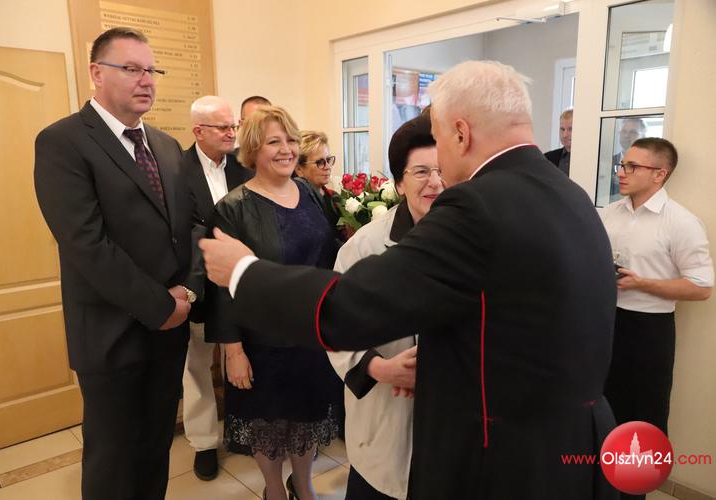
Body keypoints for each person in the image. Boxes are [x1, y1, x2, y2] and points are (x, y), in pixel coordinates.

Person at [200, 60, 619, 500]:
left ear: (460, 133)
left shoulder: (478, 205)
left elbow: (349, 307)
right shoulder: (568, 192)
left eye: (438, 140)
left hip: (507, 458)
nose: (438, 172)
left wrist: (244, 272)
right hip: (573, 446)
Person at [34, 27, 192, 499]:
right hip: (110, 334)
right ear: (96, 73)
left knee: (156, 447)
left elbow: (187, 229)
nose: (147, 80)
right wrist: (161, 306)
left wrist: (189, 292)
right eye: (132, 69)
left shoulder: (165, 146)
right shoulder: (63, 142)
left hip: (169, 332)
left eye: (152, 70)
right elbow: (87, 244)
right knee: (113, 459)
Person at [203, 106, 341, 500]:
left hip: (310, 333)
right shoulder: (233, 207)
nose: (286, 149)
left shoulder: (311, 194)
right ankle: (274, 489)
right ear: (252, 150)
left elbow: (325, 257)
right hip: (262, 341)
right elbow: (221, 286)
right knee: (269, 424)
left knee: (306, 417)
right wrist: (233, 351)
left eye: (291, 140)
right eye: (274, 142)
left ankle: (304, 484)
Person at [329, 113, 444, 500]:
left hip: (450, 418)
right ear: (398, 182)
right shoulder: (365, 246)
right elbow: (334, 327)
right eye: (421, 171)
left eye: (442, 170)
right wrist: (381, 369)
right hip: (385, 415)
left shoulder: (474, 238)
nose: (435, 182)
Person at [601, 138, 712, 494]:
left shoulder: (681, 222)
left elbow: (702, 287)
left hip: (649, 332)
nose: (622, 172)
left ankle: (633, 491)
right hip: (605, 324)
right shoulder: (608, 213)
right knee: (603, 410)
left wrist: (643, 283)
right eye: (622, 164)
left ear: (659, 174)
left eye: (633, 166)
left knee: (643, 418)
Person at [181, 95, 254, 481]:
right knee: (196, 365)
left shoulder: (245, 165)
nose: (231, 133)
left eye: (233, 126)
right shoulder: (176, 168)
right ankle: (204, 442)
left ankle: (244, 430)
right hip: (197, 282)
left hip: (241, 281)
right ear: (198, 131)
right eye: (223, 127)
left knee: (241, 357)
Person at [295, 130, 339, 228]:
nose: (328, 167)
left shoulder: (335, 198)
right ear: (299, 169)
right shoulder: (294, 205)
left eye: (328, 160)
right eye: (320, 162)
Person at [610, 118, 648, 199]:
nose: (626, 136)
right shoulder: (609, 161)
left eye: (632, 132)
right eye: (623, 132)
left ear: (643, 137)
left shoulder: (649, 164)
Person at [544, 108, 573, 176]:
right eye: (562, 129)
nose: (565, 135)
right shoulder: (547, 158)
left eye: (570, 129)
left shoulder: (591, 160)